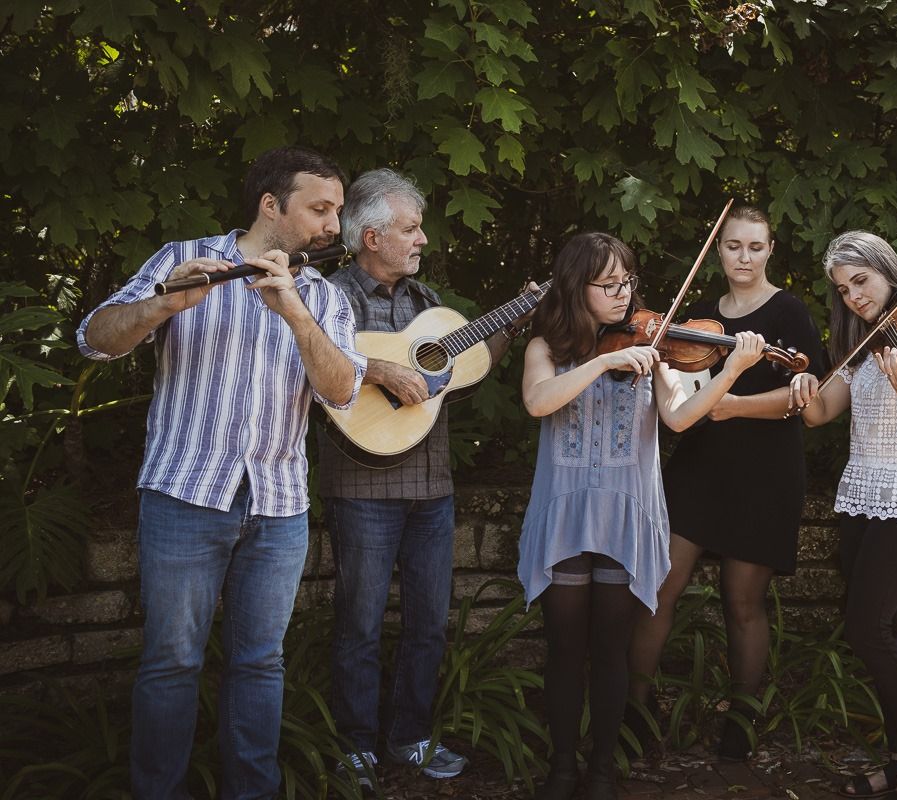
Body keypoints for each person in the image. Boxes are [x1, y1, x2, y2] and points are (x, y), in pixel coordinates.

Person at [76, 146, 366, 800]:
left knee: (261, 665)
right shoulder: (182, 259)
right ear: (272, 205)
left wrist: (294, 310)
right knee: (172, 665)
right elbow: (95, 337)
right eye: (320, 209)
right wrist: (162, 306)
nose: (332, 225)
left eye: (337, 211)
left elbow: (343, 392)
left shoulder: (322, 294)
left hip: (280, 507)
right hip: (185, 497)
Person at [518, 231, 767, 800]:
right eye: (608, 284)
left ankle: (602, 771)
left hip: (625, 514)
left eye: (627, 282)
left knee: (611, 649)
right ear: (575, 287)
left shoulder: (653, 347)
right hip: (566, 515)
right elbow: (538, 401)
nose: (622, 294)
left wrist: (730, 371)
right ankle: (561, 767)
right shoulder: (547, 348)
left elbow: (679, 418)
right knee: (563, 649)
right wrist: (602, 359)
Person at [315, 168, 531, 788]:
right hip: (361, 487)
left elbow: (450, 382)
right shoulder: (333, 298)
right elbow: (306, 362)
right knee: (358, 620)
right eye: (410, 229)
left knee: (429, 621)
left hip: (432, 487)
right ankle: (354, 745)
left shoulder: (428, 306)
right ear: (371, 236)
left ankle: (409, 738)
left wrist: (509, 324)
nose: (422, 239)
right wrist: (379, 369)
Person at [626, 205, 827, 760]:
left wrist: (734, 404)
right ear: (719, 251)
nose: (744, 256)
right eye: (734, 246)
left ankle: (742, 717)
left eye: (755, 247)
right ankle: (636, 711)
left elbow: (804, 394)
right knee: (659, 588)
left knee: (743, 601)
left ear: (770, 251)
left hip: (766, 472)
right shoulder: (698, 319)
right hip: (700, 466)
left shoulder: (789, 312)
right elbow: (681, 399)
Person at [789, 231, 897, 800]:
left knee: (870, 629)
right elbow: (820, 413)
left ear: (888, 270)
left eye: (860, 281)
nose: (853, 296)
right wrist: (795, 381)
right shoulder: (863, 342)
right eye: (842, 289)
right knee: (876, 627)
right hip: (864, 491)